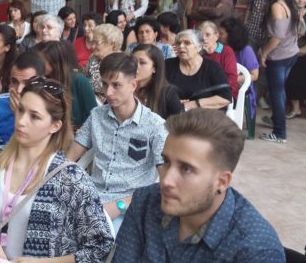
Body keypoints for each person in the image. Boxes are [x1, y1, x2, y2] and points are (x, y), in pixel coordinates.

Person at [0, 77, 113, 262]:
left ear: (55, 126)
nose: (21, 121)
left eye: (34, 116)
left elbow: (101, 246)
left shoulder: (71, 179)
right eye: (20, 110)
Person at [111, 109, 285, 262]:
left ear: (222, 182)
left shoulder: (255, 251)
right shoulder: (145, 202)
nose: (165, 180)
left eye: (186, 169)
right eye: (166, 161)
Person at [69, 52, 167, 231]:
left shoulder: (155, 126)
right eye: (105, 84)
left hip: (132, 206)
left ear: (133, 85)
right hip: (92, 199)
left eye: (116, 85)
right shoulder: (97, 116)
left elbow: (166, 181)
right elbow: (70, 157)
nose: (108, 92)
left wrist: (119, 206)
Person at [259, 0, 300, 143]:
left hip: (279, 56)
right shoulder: (289, 3)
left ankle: (279, 132)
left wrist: (264, 53)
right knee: (279, 91)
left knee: (277, 93)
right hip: (291, 53)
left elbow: (277, 36)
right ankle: (277, 120)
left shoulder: (277, 6)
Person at [34, 41, 97, 129]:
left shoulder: (79, 80)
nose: (38, 66)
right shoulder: (42, 82)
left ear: (54, 62)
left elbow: (94, 115)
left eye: (42, 62)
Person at [165, 30, 231, 111]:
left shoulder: (212, 67)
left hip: (205, 116)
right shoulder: (167, 65)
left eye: (187, 43)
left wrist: (193, 104)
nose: (181, 46)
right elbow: (155, 91)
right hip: (173, 114)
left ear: (199, 47)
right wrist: (172, 102)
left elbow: (225, 97)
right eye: (178, 43)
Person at [218, 17, 260, 129]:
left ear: (231, 35)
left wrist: (231, 79)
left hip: (240, 87)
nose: (218, 35)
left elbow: (254, 75)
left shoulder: (246, 51)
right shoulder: (220, 48)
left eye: (221, 33)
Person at [131, 44, 184, 119]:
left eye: (142, 63)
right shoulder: (122, 88)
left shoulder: (167, 93)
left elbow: (181, 124)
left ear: (154, 68)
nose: (135, 66)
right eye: (132, 61)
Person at [284, 0, 306, 118]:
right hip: (291, 51)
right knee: (292, 79)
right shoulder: (288, 13)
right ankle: (296, 109)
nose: (301, 0)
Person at [198, 21, 239, 98]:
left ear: (216, 36)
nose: (203, 38)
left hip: (224, 93)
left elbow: (232, 78)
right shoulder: (198, 53)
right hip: (203, 93)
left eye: (208, 35)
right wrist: (197, 54)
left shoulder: (226, 51)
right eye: (200, 35)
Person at [86, 23, 124, 102]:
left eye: (96, 43)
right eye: (92, 42)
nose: (92, 46)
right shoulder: (93, 58)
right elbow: (86, 79)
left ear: (112, 44)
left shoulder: (122, 62)